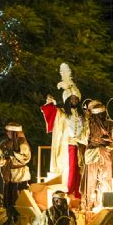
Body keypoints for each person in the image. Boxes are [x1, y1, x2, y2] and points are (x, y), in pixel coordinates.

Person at [40, 63, 85, 199]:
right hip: (67, 147)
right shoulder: (62, 114)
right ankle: (68, 193)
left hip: (81, 146)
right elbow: (51, 112)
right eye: (71, 98)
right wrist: (51, 103)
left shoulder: (83, 115)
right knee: (69, 171)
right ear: (66, 100)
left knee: (79, 172)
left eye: (76, 98)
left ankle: (77, 194)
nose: (74, 100)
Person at [0, 123, 31, 225]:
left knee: (18, 202)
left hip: (20, 178)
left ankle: (19, 222)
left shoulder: (22, 143)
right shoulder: (4, 142)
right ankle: (8, 221)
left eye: (9, 131)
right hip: (8, 177)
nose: (7, 133)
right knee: (8, 201)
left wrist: (13, 153)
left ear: (14, 133)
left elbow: (26, 157)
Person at [82, 101, 113, 211]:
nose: (102, 116)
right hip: (92, 153)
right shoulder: (87, 124)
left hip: (105, 153)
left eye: (103, 113)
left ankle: (107, 204)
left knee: (106, 180)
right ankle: (89, 205)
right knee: (91, 180)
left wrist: (111, 141)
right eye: (99, 114)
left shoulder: (110, 124)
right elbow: (83, 139)